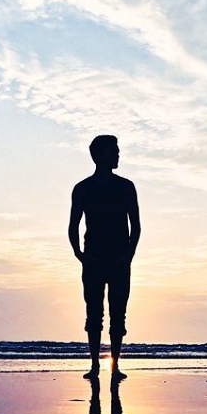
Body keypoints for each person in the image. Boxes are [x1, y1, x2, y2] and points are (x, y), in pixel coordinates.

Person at [68, 135, 141, 381]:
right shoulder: (83, 188)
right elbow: (73, 225)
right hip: (94, 260)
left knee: (118, 314)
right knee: (94, 313)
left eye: (118, 150)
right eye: (114, 151)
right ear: (99, 155)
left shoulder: (126, 187)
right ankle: (95, 365)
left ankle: (115, 365)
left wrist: (128, 256)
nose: (118, 155)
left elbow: (136, 227)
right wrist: (80, 254)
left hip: (120, 260)